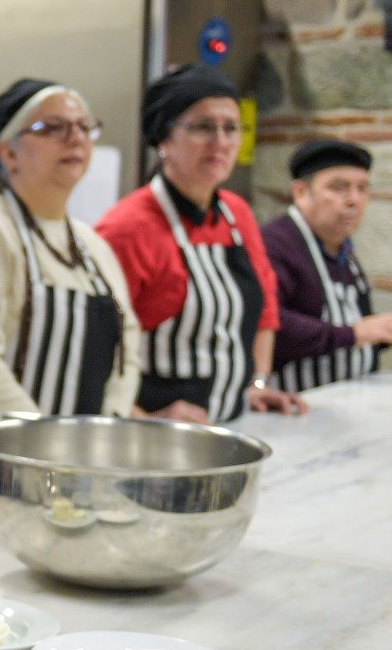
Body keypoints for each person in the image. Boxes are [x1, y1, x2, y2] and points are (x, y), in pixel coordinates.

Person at [96, 64, 306, 423]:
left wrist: (256, 383)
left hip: (231, 423)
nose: (220, 142)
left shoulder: (237, 214)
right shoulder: (128, 228)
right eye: (203, 127)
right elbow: (92, 349)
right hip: (150, 437)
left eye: (231, 128)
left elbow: (266, 311)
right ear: (164, 140)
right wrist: (142, 420)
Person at [0, 78, 141, 416]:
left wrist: (105, 431)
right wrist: (42, 441)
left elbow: (127, 351)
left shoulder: (94, 248)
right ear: (9, 153)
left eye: (84, 127)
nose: (76, 138)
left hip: (80, 447)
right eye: (53, 127)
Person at [261, 139, 392, 391]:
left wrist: (387, 331)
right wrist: (358, 332)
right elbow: (269, 324)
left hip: (345, 397)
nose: (354, 200)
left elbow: (344, 329)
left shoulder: (342, 248)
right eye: (338, 188)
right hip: (292, 400)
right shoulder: (274, 243)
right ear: (301, 192)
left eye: (362, 188)